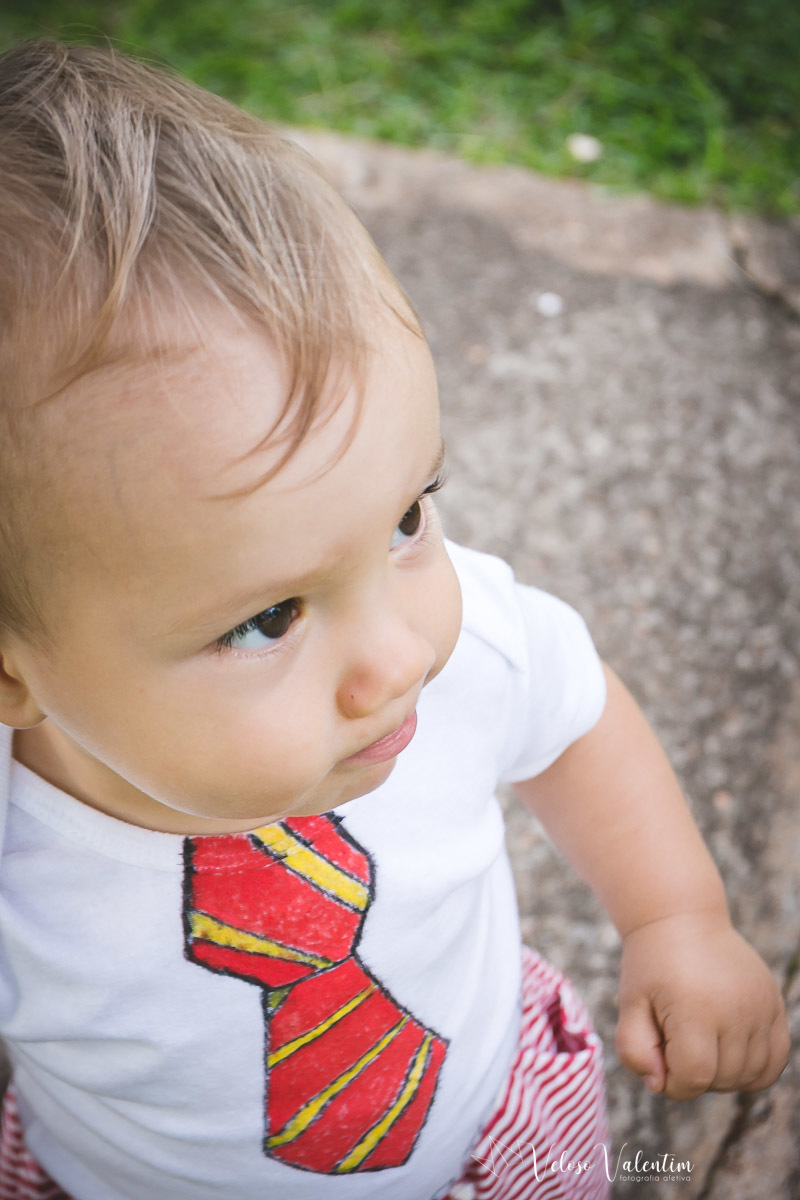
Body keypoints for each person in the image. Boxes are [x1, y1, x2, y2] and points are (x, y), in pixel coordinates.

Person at [0, 38, 788, 1200]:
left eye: (407, 518)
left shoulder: (450, 649)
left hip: (484, 1129)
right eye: (267, 618)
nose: (399, 654)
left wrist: (674, 916)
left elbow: (570, 716)